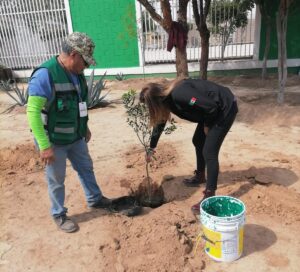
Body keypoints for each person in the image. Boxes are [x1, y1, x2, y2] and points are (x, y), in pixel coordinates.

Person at [26, 32, 111, 233]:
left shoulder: (77, 73)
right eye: (85, 61)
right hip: (53, 140)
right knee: (56, 179)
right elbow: (33, 112)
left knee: (86, 168)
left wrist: (85, 126)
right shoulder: (45, 75)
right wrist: (44, 145)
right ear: (73, 54)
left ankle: (95, 199)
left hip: (75, 136)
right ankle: (59, 214)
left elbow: (79, 103)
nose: (87, 66)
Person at [140, 77, 238, 214]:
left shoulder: (179, 94)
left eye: (149, 107)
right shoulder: (166, 100)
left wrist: (207, 126)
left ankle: (209, 197)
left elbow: (211, 107)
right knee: (198, 140)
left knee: (209, 151)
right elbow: (160, 123)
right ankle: (200, 175)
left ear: (155, 102)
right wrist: (151, 148)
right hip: (211, 110)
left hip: (224, 107)